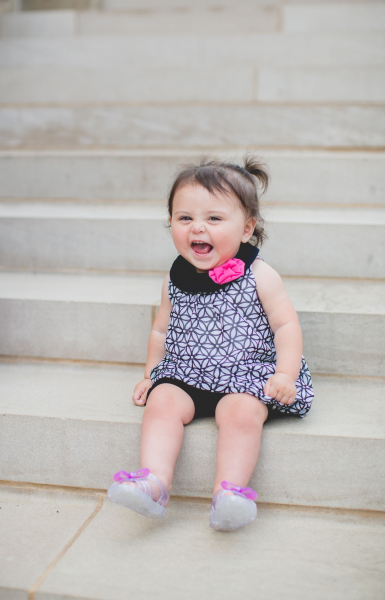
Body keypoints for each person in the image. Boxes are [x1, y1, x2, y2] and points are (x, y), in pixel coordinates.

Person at [108, 156, 314, 531]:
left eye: (214, 219)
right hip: (188, 374)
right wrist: (153, 374)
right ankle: (153, 482)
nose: (197, 227)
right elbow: (160, 330)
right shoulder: (175, 277)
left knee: (241, 414)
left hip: (244, 376)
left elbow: (286, 325)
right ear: (170, 221)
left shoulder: (260, 274)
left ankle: (229, 493)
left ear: (247, 227)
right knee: (162, 402)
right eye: (185, 218)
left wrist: (285, 373)